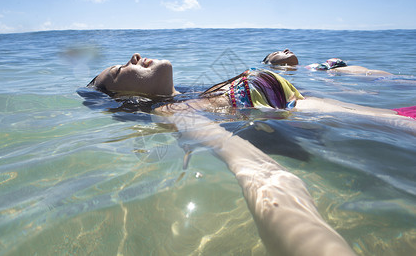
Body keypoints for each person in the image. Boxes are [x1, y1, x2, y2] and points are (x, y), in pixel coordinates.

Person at [86, 53, 415, 256]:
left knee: (402, 121)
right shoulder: (173, 112)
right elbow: (251, 165)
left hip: (302, 105)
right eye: (118, 71)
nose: (134, 55)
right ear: (120, 97)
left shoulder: (191, 93)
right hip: (299, 113)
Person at [263, 49, 392, 76]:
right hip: (357, 74)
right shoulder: (293, 73)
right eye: (276, 53)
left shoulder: (303, 68)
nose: (285, 49)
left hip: (358, 71)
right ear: (271, 63)